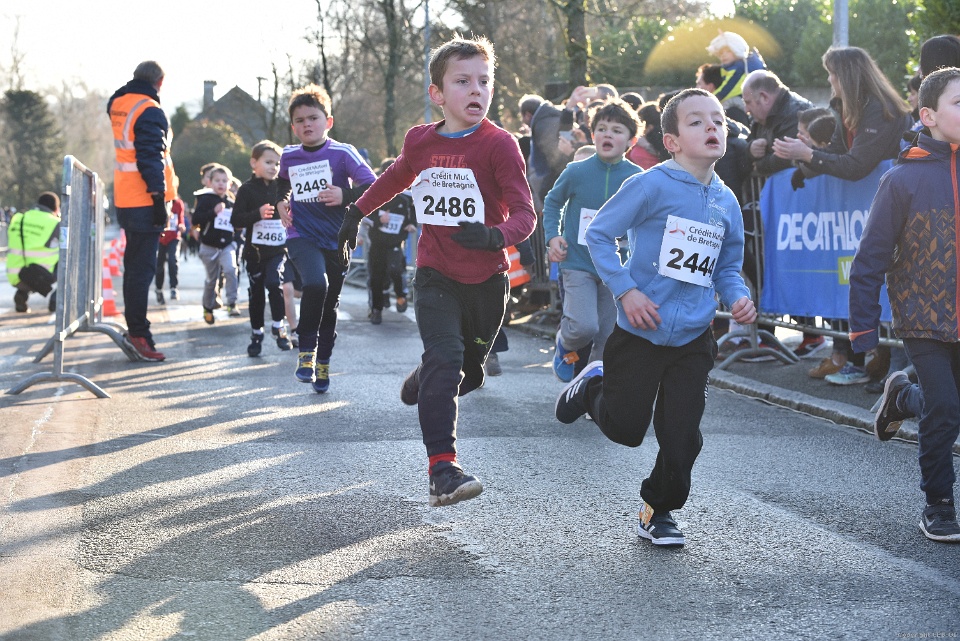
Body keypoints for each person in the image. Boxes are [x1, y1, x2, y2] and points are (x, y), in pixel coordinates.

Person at [338, 35, 537, 507]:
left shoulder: (500, 145)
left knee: (469, 375)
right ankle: (443, 471)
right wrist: (356, 211)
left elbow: (525, 215)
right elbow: (395, 177)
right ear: (437, 94)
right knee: (446, 360)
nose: (476, 90)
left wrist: (494, 236)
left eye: (484, 81)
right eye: (462, 81)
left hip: (487, 281)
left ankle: (424, 376)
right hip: (434, 274)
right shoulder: (420, 140)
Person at [554, 88, 757, 546]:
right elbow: (600, 235)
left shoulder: (726, 201)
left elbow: (727, 267)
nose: (712, 127)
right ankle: (591, 388)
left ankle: (658, 509)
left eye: (718, 120)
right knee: (627, 430)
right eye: (696, 121)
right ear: (672, 141)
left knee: (683, 437)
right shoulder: (650, 185)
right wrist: (626, 291)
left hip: (693, 337)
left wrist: (738, 297)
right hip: (640, 330)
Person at [848, 67, 960, 543]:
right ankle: (938, 504)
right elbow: (869, 259)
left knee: (946, 405)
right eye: (959, 102)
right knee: (946, 408)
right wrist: (863, 331)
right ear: (928, 115)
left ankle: (902, 398)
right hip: (923, 318)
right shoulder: (901, 180)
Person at [773, 46, 913, 384]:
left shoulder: (880, 108)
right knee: (863, 279)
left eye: (831, 74)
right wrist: (804, 168)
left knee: (892, 281)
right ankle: (879, 362)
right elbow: (836, 151)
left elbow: (857, 166)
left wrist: (808, 154)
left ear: (846, 76)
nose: (828, 81)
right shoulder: (845, 106)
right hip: (874, 208)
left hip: (898, 207)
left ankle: (896, 369)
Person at [276, 84, 376, 394]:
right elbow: (281, 185)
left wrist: (344, 194)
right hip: (301, 235)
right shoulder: (289, 156)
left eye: (313, 118)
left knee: (329, 305)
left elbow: (373, 185)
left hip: (337, 239)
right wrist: (280, 202)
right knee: (316, 284)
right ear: (293, 127)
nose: (307, 124)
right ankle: (306, 351)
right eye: (300, 120)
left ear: (328, 121)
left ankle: (323, 362)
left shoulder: (342, 153)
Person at [544, 99, 642, 382]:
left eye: (616, 130)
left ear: (631, 141)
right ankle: (565, 343)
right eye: (601, 129)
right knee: (584, 327)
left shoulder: (637, 178)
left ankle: (593, 389)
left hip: (616, 269)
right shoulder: (577, 171)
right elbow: (552, 203)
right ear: (592, 134)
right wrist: (553, 236)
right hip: (577, 262)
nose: (607, 134)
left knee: (607, 336)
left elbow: (648, 220)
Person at [107, 60, 178, 361]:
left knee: (135, 267)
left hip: (126, 197)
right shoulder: (150, 110)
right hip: (144, 199)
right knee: (141, 270)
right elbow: (150, 156)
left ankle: (137, 330)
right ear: (159, 82)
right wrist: (158, 199)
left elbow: (117, 96)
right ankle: (138, 334)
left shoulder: (119, 103)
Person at [230, 140, 293, 356]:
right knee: (256, 293)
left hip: (277, 250)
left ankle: (279, 326)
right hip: (254, 252)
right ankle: (256, 334)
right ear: (253, 163)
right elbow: (236, 220)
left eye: (277, 163)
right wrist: (256, 214)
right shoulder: (246, 190)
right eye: (268, 162)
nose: (273, 167)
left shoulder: (282, 188)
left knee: (274, 283)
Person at [365, 158, 417, 325]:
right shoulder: (374, 193)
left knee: (395, 270)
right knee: (376, 277)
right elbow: (363, 213)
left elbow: (416, 209)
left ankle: (401, 296)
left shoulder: (406, 196)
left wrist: (412, 223)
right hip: (377, 243)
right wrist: (379, 219)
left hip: (395, 243)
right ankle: (376, 310)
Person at [742, 70, 815, 177]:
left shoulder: (797, 113)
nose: (746, 110)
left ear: (764, 97)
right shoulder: (761, 117)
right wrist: (750, 148)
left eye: (748, 102)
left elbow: (785, 157)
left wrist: (760, 165)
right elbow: (748, 144)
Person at [192, 165, 240, 324]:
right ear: (210, 182)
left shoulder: (231, 202)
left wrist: (238, 227)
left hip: (227, 245)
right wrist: (213, 212)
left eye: (224, 181)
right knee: (212, 280)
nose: (221, 184)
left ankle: (232, 303)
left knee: (231, 270)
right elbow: (196, 219)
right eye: (217, 180)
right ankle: (208, 307)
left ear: (230, 184)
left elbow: (236, 223)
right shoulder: (205, 199)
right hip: (209, 245)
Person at [6, 192, 60, 313]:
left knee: (29, 261)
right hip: (38, 277)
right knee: (68, 260)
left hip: (14, 276)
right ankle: (56, 300)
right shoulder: (55, 223)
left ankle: (22, 294)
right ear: (56, 209)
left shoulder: (18, 218)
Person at [705, 31, 766, 123]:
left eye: (728, 51)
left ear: (736, 50)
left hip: (746, 101)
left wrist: (710, 99)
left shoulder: (740, 67)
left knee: (723, 105)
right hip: (751, 101)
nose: (723, 55)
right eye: (721, 53)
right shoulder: (736, 66)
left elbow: (728, 89)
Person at [155, 194, 185, 304]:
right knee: (159, 264)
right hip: (160, 237)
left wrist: (181, 225)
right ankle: (159, 289)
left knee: (173, 260)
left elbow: (180, 218)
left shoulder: (178, 203)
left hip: (173, 237)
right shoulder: (158, 201)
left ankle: (173, 288)